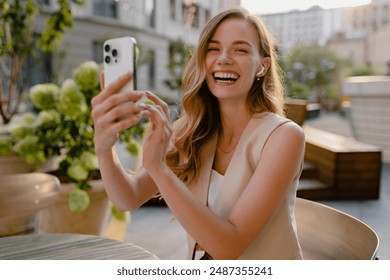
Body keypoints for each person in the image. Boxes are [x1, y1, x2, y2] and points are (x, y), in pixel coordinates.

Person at [91, 7, 305, 260]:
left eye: (240, 50)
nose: (223, 58)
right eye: (213, 49)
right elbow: (128, 197)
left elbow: (229, 248)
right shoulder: (191, 129)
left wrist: (159, 169)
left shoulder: (284, 136)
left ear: (262, 67)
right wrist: (105, 148)